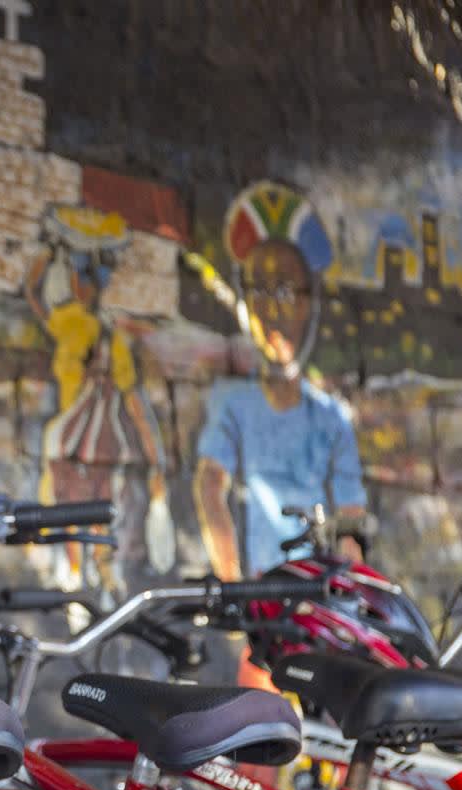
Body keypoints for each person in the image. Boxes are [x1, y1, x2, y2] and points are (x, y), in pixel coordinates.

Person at [193, 181, 367, 691]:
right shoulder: (235, 406)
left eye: (288, 291)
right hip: (263, 617)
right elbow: (210, 487)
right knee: (260, 742)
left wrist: (346, 602)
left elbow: (351, 521)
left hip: (320, 609)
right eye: (259, 291)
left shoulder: (330, 418)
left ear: (312, 302)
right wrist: (235, 590)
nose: (274, 311)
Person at [23, 206, 170, 595]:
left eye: (96, 273)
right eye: (83, 270)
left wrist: (156, 460)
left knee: (94, 518)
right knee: (80, 519)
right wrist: (49, 251)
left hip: (94, 448)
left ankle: (100, 579)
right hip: (75, 447)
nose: (89, 283)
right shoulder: (73, 323)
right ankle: (87, 579)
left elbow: (134, 403)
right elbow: (35, 295)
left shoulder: (97, 333)